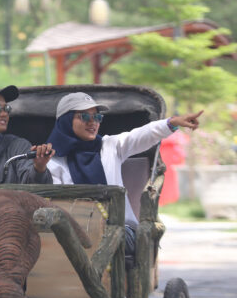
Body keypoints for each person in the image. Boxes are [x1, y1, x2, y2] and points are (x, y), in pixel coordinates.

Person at [46, 91, 202, 271]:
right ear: (66, 120)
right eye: (85, 116)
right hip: (73, 233)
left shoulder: (110, 147)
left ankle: (107, 288)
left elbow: (142, 135)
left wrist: (172, 123)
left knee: (110, 236)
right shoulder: (51, 160)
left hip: (119, 230)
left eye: (97, 117)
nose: (93, 122)